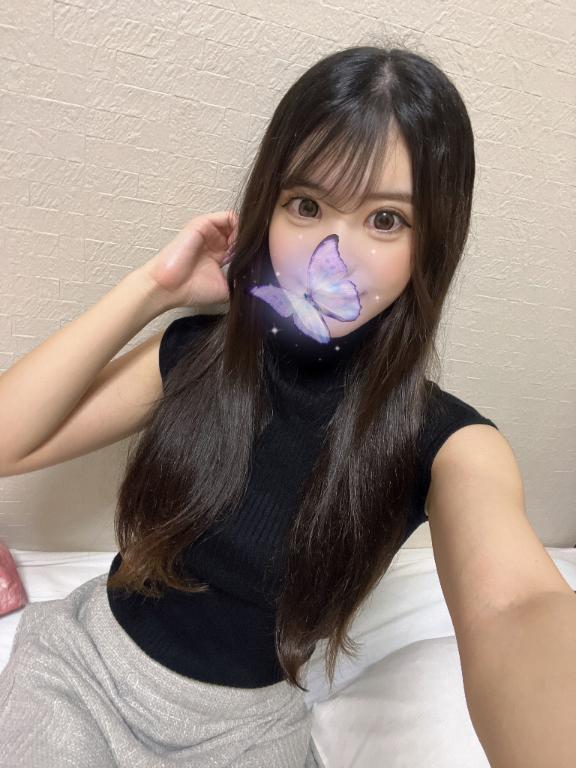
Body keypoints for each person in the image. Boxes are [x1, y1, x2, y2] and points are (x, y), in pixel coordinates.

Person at [0, 43, 498, 767]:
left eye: (386, 219)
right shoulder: (204, 354)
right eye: (307, 205)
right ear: (268, 210)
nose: (337, 249)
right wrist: (156, 289)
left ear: (434, 243)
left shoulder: (442, 440)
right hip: (87, 675)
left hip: (247, 733)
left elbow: (519, 605)